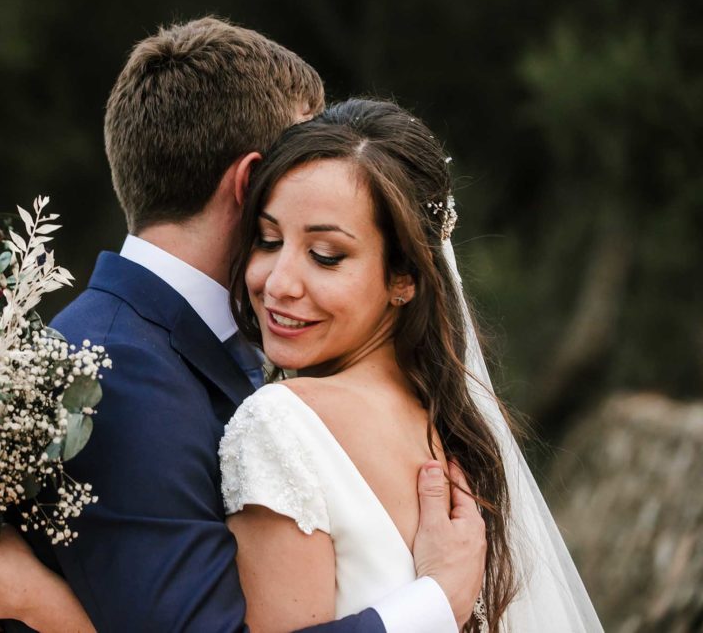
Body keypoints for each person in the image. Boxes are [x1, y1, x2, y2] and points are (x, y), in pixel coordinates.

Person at [0, 18, 486, 632]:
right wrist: (437, 602)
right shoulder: (114, 367)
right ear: (250, 183)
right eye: (299, 157)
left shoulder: (243, 343)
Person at [220, 97, 603, 632]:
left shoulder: (279, 423)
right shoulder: (454, 430)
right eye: (268, 240)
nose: (278, 283)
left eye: (326, 255)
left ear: (405, 278)